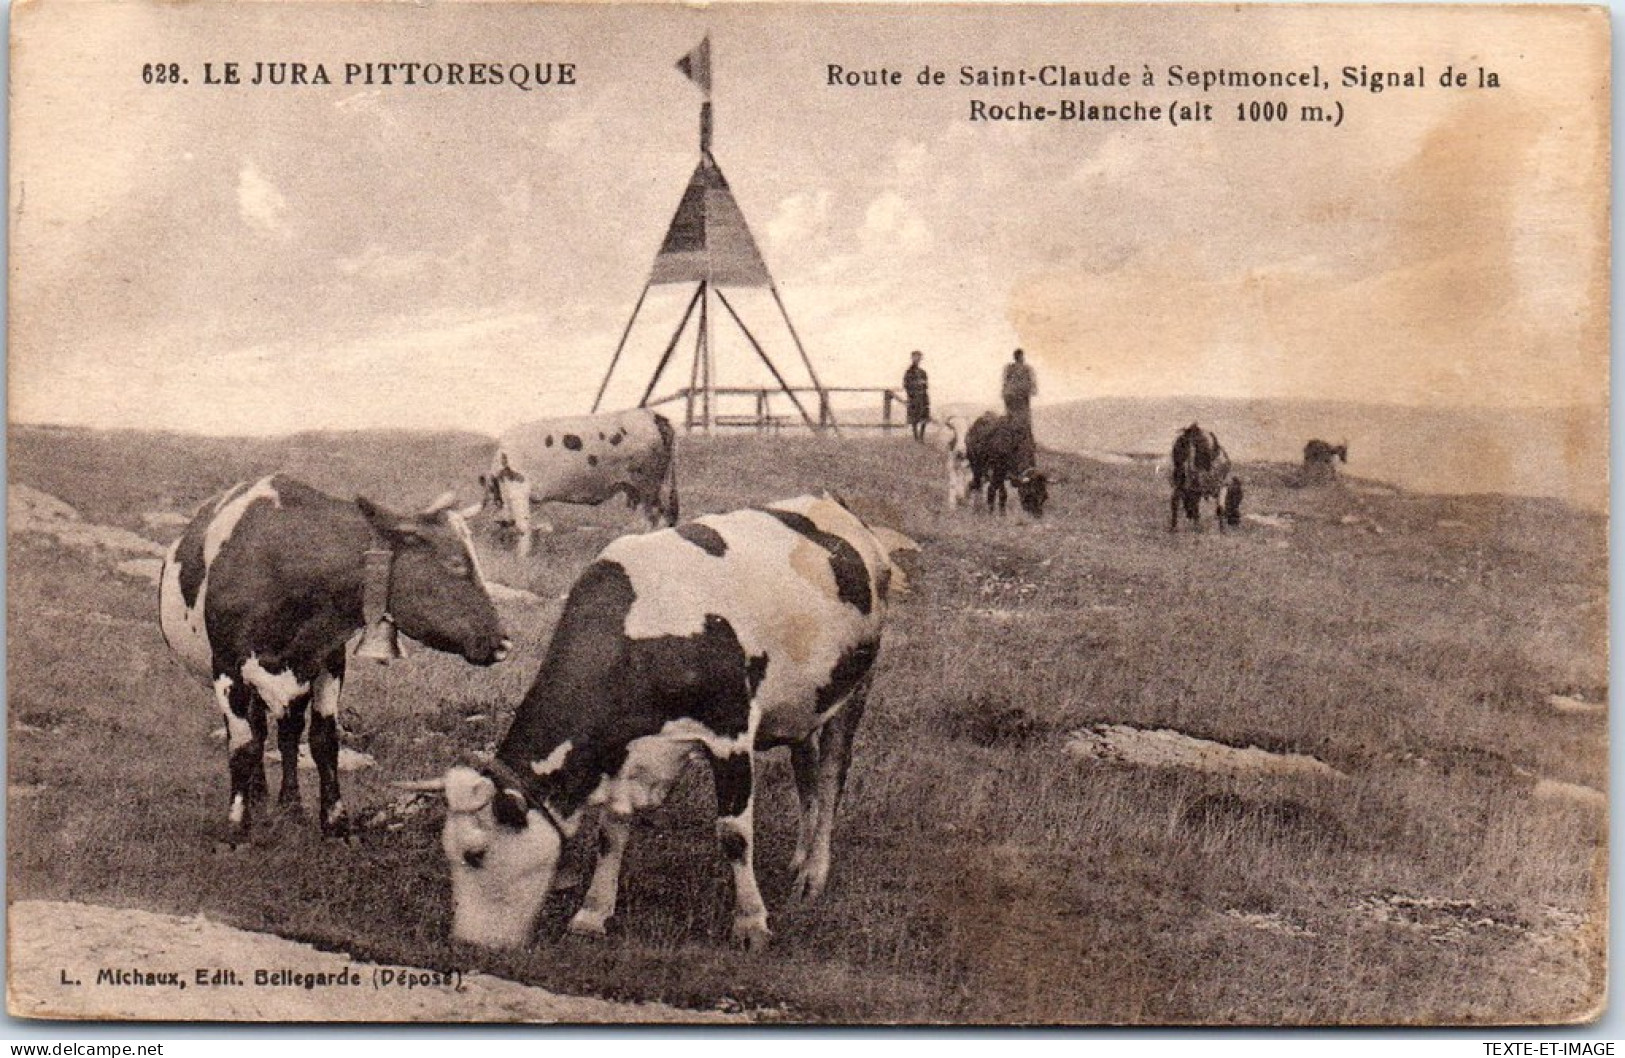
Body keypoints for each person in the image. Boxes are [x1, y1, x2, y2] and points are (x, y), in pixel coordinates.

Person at [1002, 348, 1037, 425]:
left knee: (1011, 417)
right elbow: (1033, 385)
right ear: (1021, 357)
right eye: (1022, 356)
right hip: (1021, 397)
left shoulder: (1009, 368)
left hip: (1011, 396)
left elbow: (1005, 383)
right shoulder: (1027, 368)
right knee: (1024, 418)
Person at [903, 350, 930, 442]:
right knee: (914, 418)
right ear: (912, 358)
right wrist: (914, 389)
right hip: (914, 397)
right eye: (915, 357)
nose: (917, 359)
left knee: (924, 418)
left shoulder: (923, 372)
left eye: (918, 357)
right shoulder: (908, 372)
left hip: (923, 397)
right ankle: (916, 437)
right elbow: (906, 385)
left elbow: (926, 385)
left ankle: (921, 437)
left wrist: (922, 385)